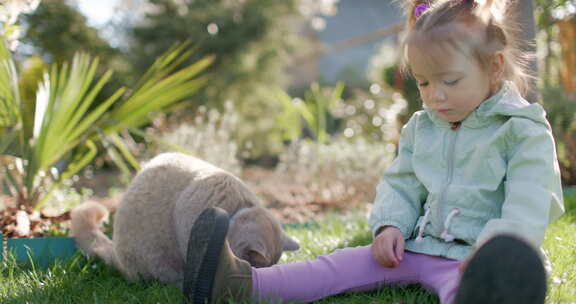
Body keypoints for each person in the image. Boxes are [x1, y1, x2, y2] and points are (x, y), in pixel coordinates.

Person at [182, 0, 565, 303]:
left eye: (450, 80)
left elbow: (528, 201)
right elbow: (401, 184)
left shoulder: (521, 130)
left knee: (463, 294)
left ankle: (493, 294)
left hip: (475, 262)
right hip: (418, 248)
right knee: (338, 265)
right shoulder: (423, 128)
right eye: (425, 83)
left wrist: (490, 255)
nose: (435, 95)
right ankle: (241, 284)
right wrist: (390, 226)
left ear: (495, 67)